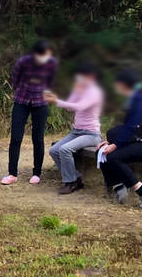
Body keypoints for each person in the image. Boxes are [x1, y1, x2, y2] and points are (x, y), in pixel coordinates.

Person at [99, 69, 142, 209]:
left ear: (124, 84)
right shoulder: (135, 97)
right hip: (139, 139)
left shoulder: (140, 98)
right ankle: (119, 187)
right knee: (102, 153)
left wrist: (116, 145)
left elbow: (131, 126)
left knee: (113, 157)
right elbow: (128, 127)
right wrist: (111, 142)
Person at [2, 40, 57, 186]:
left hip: (41, 103)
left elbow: (52, 80)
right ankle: (12, 173)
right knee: (16, 137)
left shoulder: (51, 63)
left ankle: (36, 173)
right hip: (22, 100)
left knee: (38, 138)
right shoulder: (23, 62)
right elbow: (15, 79)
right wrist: (22, 89)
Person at [44, 62, 104, 194]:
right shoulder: (81, 88)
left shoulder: (95, 92)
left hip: (92, 134)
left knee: (65, 149)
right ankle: (76, 177)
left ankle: (70, 183)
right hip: (77, 131)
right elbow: (70, 106)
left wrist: (56, 101)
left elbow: (80, 106)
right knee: (54, 150)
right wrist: (76, 91)